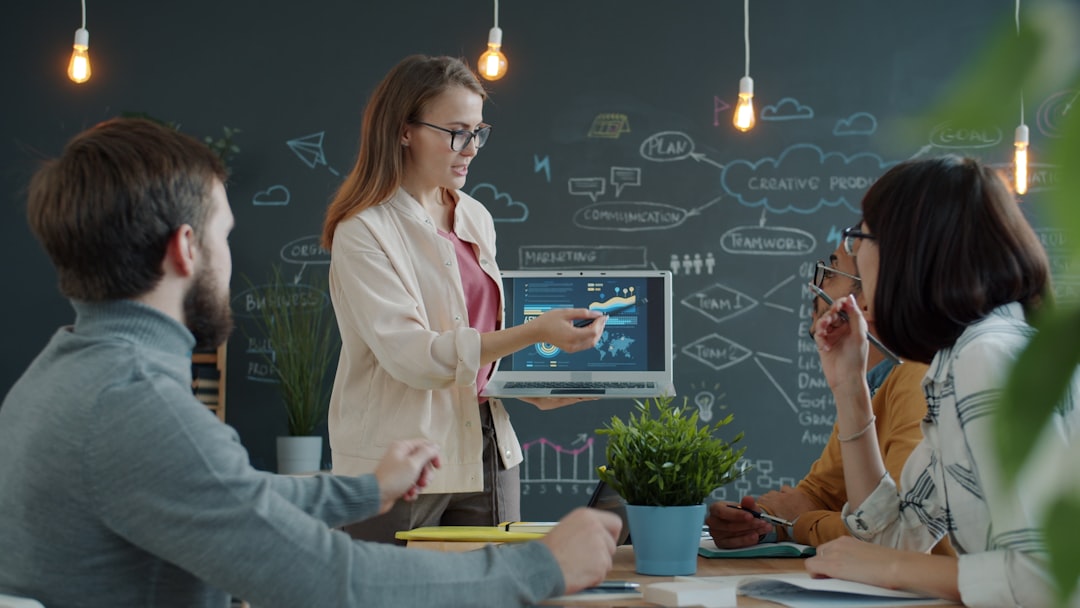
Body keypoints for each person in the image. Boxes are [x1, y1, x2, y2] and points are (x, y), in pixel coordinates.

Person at [0, 117, 622, 607]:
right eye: (223, 236)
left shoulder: (58, 379)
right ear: (186, 249)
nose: (228, 257)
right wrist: (542, 565)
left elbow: (231, 499)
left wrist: (365, 491)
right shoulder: (140, 407)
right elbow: (332, 582)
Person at [321, 54, 607, 543]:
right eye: (456, 133)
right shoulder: (364, 230)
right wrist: (534, 333)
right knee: (390, 586)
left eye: (478, 132)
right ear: (404, 131)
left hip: (486, 449)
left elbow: (477, 348)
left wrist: (532, 387)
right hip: (400, 461)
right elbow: (413, 357)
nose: (471, 148)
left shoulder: (475, 216)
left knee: (495, 583)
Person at [805, 156, 1079, 606]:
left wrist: (890, 570)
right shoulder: (961, 358)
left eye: (860, 238)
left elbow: (1047, 578)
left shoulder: (986, 358)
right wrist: (850, 385)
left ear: (909, 251)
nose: (855, 255)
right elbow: (894, 536)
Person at [706, 246, 952, 557]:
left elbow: (894, 534)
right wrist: (761, 520)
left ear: (868, 299)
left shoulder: (919, 378)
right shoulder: (873, 386)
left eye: (831, 273)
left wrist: (799, 524)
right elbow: (821, 493)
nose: (815, 286)